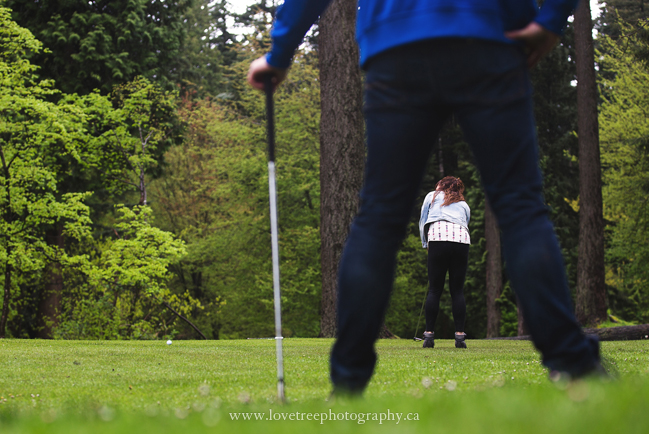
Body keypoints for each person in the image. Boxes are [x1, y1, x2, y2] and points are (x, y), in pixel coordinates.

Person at [248, 0, 604, 395]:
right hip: (490, 35)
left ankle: (348, 381)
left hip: (398, 43)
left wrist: (280, 53)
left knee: (379, 219)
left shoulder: (440, 203)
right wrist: (550, 19)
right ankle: (574, 365)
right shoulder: (459, 203)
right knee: (521, 210)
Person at [419, 176, 471, 349]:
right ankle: (459, 337)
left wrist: (425, 243)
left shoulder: (432, 196)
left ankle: (429, 336)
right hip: (461, 240)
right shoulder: (463, 204)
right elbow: (466, 222)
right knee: (457, 290)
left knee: (434, 289)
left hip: (438, 238)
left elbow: (423, 220)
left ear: (441, 186)